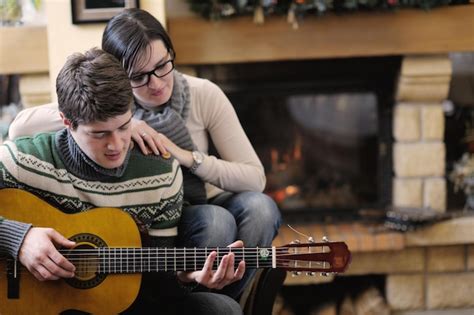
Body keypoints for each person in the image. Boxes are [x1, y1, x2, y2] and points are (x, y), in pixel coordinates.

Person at [8, 8, 282, 299]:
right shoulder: (112, 109)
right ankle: (202, 299)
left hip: (204, 194)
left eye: (163, 65)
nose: (157, 83)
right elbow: (20, 128)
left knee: (261, 208)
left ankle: (229, 298)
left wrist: (186, 156)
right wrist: (130, 121)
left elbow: (255, 178)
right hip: (161, 208)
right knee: (217, 222)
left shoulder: (204, 94)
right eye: (138, 76)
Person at [0, 47, 245, 315]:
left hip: (124, 304)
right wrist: (19, 239)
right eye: (99, 134)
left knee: (222, 309)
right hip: (38, 306)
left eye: (124, 126)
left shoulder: (162, 174)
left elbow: (158, 284)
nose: (116, 145)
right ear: (66, 122)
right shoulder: (21, 160)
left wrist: (187, 278)